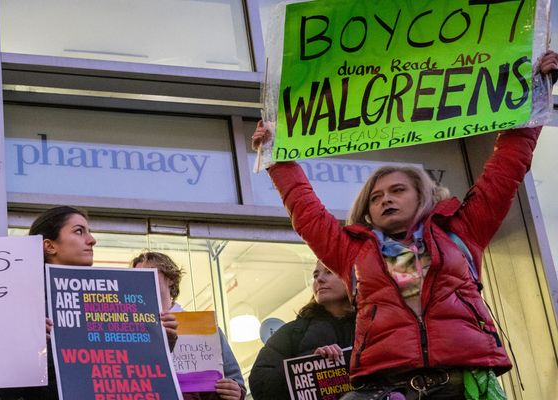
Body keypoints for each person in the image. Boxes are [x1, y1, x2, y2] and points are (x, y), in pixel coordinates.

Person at [251, 51, 558, 399]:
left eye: (397, 190)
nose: (385, 200)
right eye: (376, 197)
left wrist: (536, 95)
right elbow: (306, 211)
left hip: (460, 387)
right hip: (389, 390)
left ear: (423, 196)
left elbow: (506, 169)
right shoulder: (353, 252)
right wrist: (277, 157)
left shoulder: (461, 232)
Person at [0, 206, 177, 400]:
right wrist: (29, 347)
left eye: (88, 232)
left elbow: (132, 375)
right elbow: (4, 393)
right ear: (49, 246)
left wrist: (162, 341)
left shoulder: (112, 300)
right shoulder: (21, 305)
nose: (92, 240)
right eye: (79, 231)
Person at [131, 252, 245, 400]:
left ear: (170, 278)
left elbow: (235, 380)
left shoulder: (206, 328)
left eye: (149, 272)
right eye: (136, 277)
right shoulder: (133, 332)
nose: (143, 280)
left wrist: (236, 391)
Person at [248, 262, 355, 400]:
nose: (319, 279)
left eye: (329, 271)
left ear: (353, 277)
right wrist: (309, 364)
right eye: (316, 275)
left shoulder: (375, 328)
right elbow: (260, 385)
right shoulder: (291, 332)